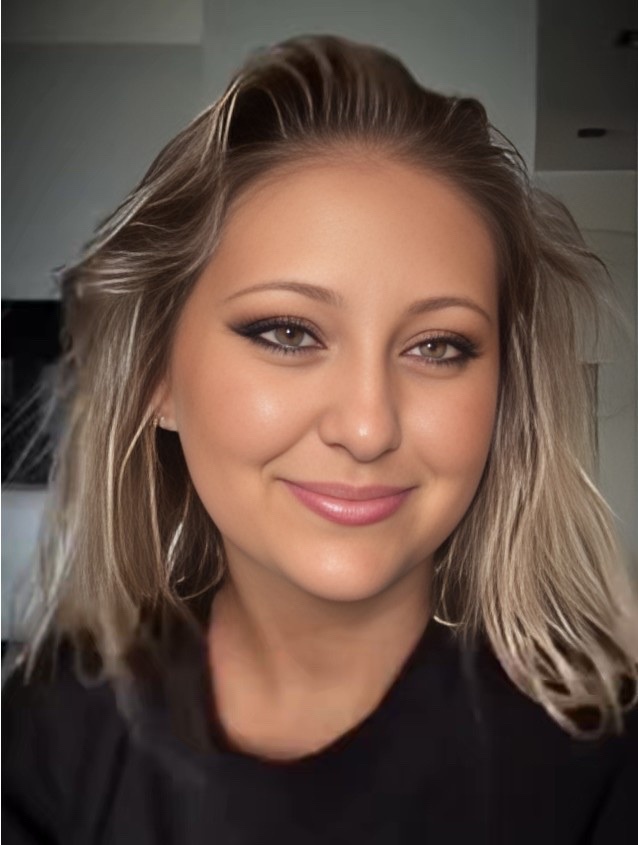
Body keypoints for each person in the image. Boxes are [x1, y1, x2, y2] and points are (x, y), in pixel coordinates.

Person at [2, 34, 637, 845]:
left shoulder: (599, 756)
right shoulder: (52, 731)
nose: (368, 427)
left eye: (438, 346)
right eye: (288, 332)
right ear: (159, 375)